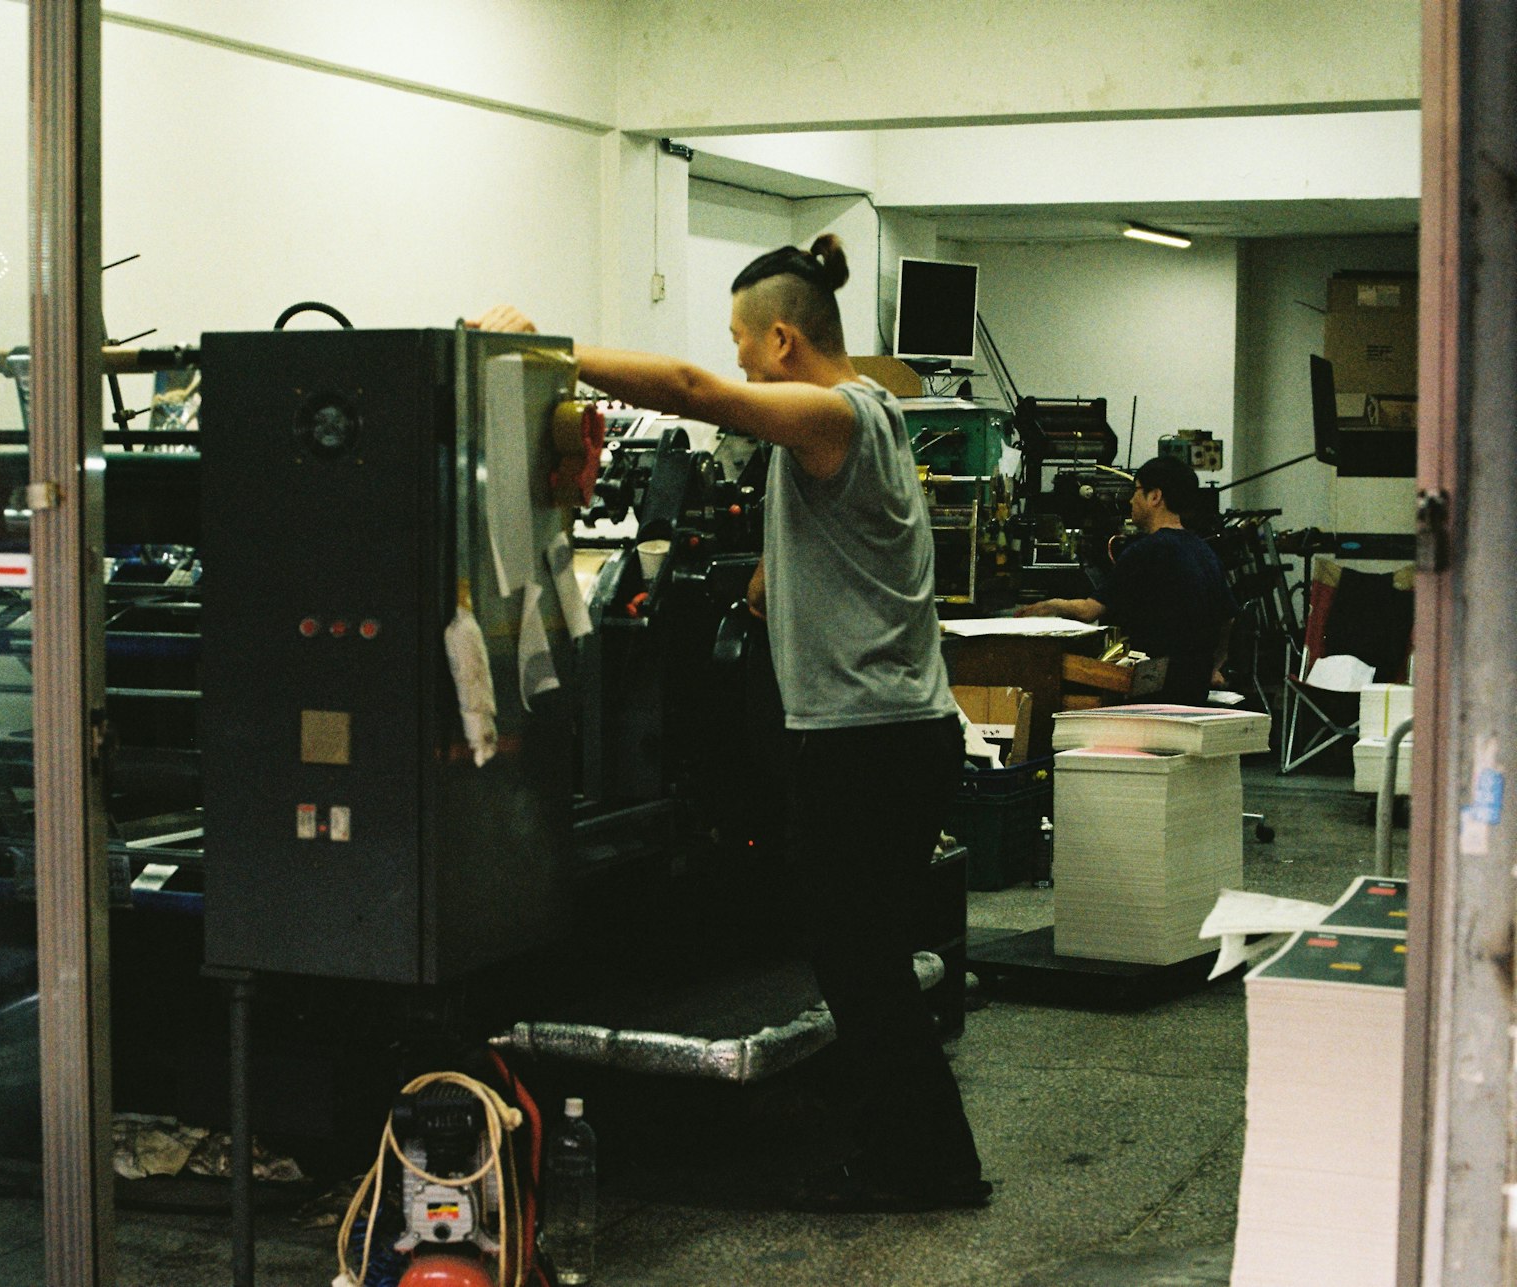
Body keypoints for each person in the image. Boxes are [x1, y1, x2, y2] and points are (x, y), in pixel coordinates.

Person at [475, 233, 988, 1214]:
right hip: (885, 735)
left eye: (745, 344)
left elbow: (688, 389)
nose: (740, 362)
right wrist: (765, 585)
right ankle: (907, 1150)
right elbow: (801, 565)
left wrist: (543, 355)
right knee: (860, 958)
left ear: (783, 340)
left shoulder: (837, 413)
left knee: (862, 964)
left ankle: (926, 1168)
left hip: (868, 741)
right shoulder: (865, 424)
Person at [1016, 455, 1237, 706]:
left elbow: (1089, 611)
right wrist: (1211, 667)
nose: (1131, 500)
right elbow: (1228, 620)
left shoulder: (1145, 552)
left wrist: (1050, 606)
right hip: (1193, 693)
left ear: (1155, 497)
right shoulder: (1204, 551)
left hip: (1152, 694)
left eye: (1136, 490)